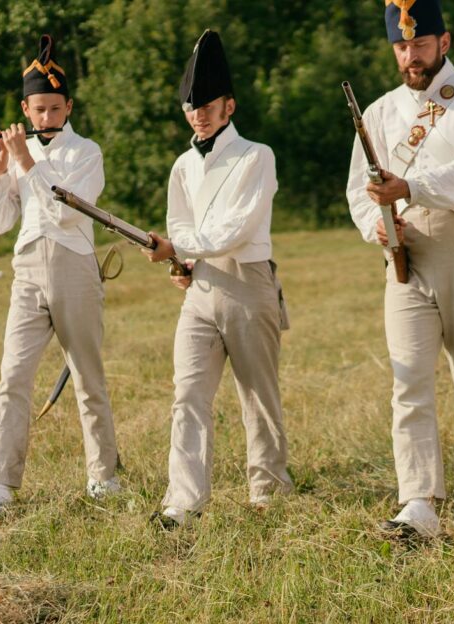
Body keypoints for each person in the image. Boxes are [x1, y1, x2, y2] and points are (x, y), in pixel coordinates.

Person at [345, 0, 454, 539]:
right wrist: (377, 223)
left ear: (445, 41)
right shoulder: (379, 111)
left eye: (420, 44)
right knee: (408, 378)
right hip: (405, 250)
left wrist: (410, 187)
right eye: (402, 46)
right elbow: (358, 191)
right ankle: (417, 498)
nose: (411, 55)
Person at [0, 35, 121, 516]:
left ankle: (103, 476)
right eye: (38, 110)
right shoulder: (17, 150)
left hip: (73, 265)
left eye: (54, 108)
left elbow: (68, 213)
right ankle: (1, 482)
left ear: (68, 106)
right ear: (25, 110)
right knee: (13, 375)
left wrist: (27, 164)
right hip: (26, 268)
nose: (46, 117)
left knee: (88, 375)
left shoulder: (87, 152)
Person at [146, 30, 292, 528]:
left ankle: (268, 488)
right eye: (191, 106)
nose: (198, 114)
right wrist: (182, 257)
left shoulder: (257, 155)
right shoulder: (183, 165)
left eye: (207, 104)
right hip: (201, 286)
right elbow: (178, 224)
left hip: (248, 283)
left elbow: (237, 228)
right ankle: (184, 501)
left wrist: (181, 248)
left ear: (229, 105)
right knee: (187, 394)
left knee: (258, 393)